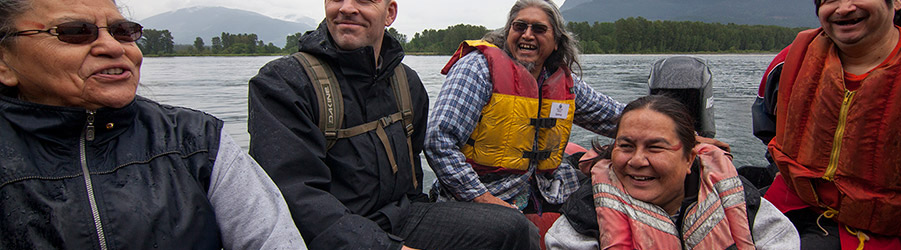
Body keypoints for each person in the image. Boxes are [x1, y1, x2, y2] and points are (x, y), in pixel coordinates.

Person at [0, 0, 305, 248]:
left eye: (123, 31)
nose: (113, 47)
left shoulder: (199, 142)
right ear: (4, 61)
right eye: (76, 31)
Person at [248, 0, 539, 249]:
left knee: (515, 227)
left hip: (402, 215)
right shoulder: (284, 82)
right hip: (328, 234)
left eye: (365, 0)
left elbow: (412, 180)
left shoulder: (406, 82)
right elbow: (292, 199)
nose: (347, 8)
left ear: (390, 13)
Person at [750, 0, 901, 248]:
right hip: (790, 212)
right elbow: (770, 133)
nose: (844, 8)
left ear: (897, 1)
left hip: (895, 236)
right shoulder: (793, 60)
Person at [425, 0, 623, 213]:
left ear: (556, 41)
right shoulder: (477, 68)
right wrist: (482, 198)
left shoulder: (560, 80)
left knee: (609, 198)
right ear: (508, 32)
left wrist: (656, 121)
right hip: (488, 190)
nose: (528, 35)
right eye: (519, 27)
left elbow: (612, 116)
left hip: (547, 186)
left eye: (539, 29)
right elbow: (438, 141)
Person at [545, 95, 799, 250]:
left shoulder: (739, 200)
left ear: (689, 158)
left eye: (655, 148)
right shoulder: (586, 213)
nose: (637, 160)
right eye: (626, 146)